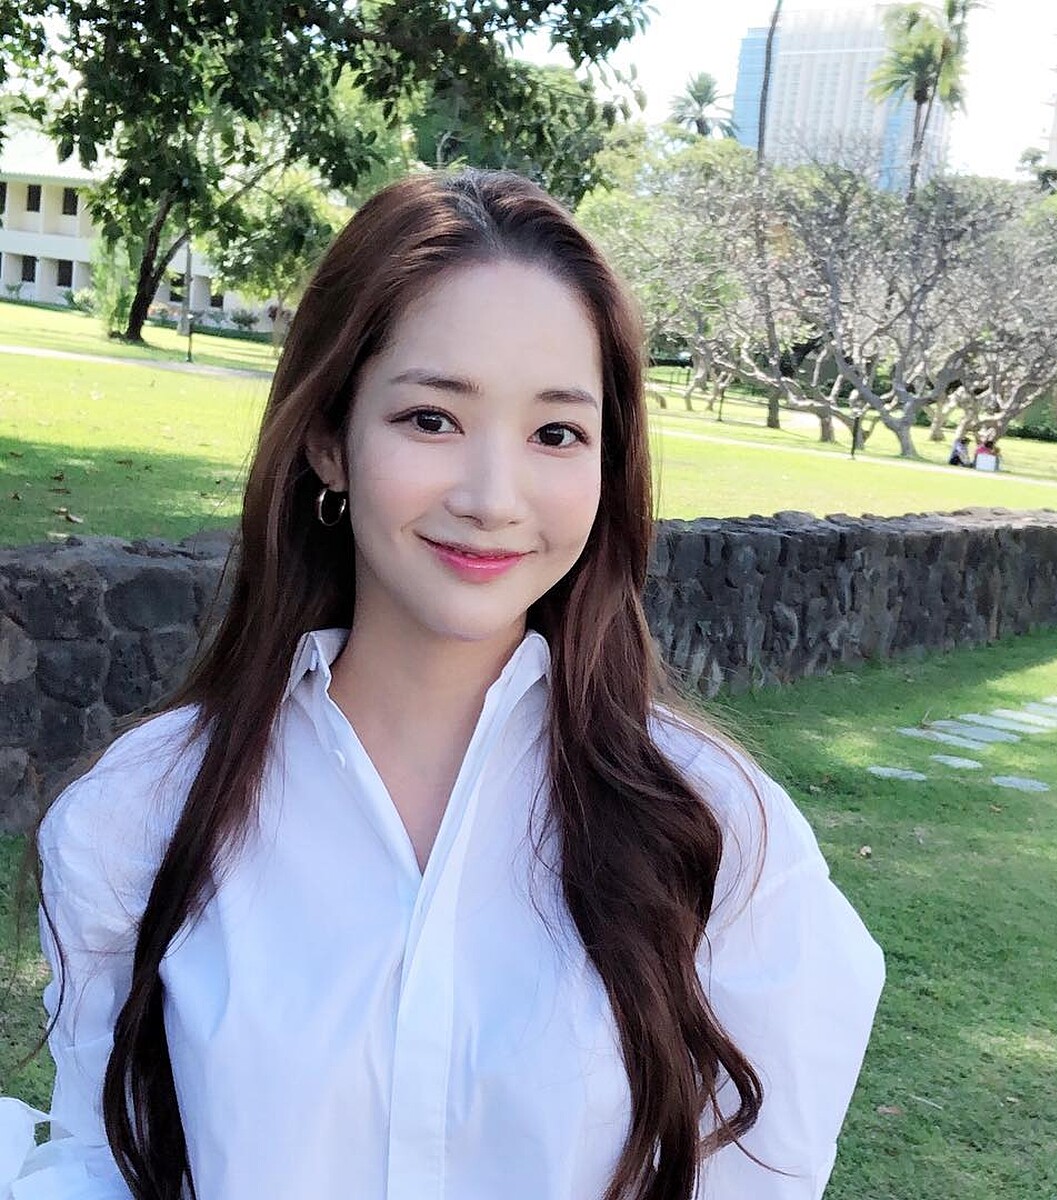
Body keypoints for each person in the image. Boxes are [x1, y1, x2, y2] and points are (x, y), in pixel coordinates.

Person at [4, 171, 884, 1200]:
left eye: (556, 433)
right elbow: (105, 1163)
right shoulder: (142, 814)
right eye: (431, 418)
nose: (492, 498)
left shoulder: (720, 835)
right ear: (329, 439)